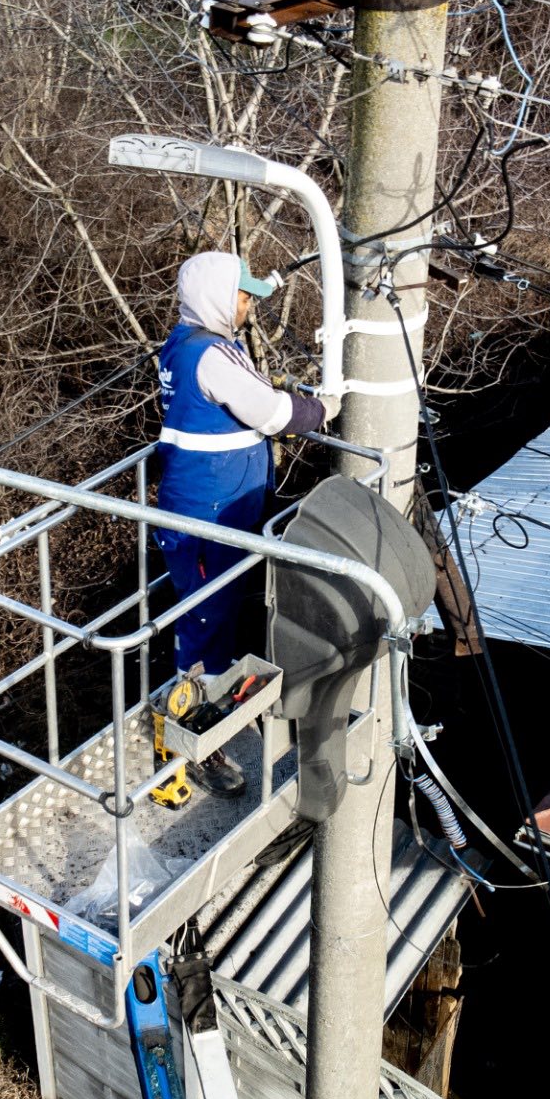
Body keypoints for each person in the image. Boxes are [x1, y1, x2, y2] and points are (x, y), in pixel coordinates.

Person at [153, 251, 337, 794]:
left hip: (213, 510)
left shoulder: (193, 344)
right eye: (241, 294)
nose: (247, 304)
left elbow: (238, 398)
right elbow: (275, 416)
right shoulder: (207, 355)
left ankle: (201, 717)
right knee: (204, 626)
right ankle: (191, 746)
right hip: (207, 518)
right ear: (214, 296)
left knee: (215, 617)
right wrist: (322, 407)